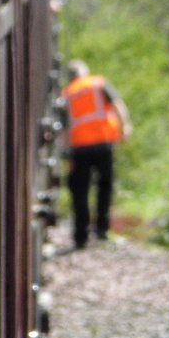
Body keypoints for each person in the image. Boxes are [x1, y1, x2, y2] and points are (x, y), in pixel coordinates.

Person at [61, 59, 131, 249]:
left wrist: (66, 155)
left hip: (79, 148)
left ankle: (80, 236)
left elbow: (64, 128)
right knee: (105, 186)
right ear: (85, 72)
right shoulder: (98, 83)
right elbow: (117, 105)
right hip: (103, 142)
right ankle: (102, 229)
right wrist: (125, 127)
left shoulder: (67, 93)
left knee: (80, 192)